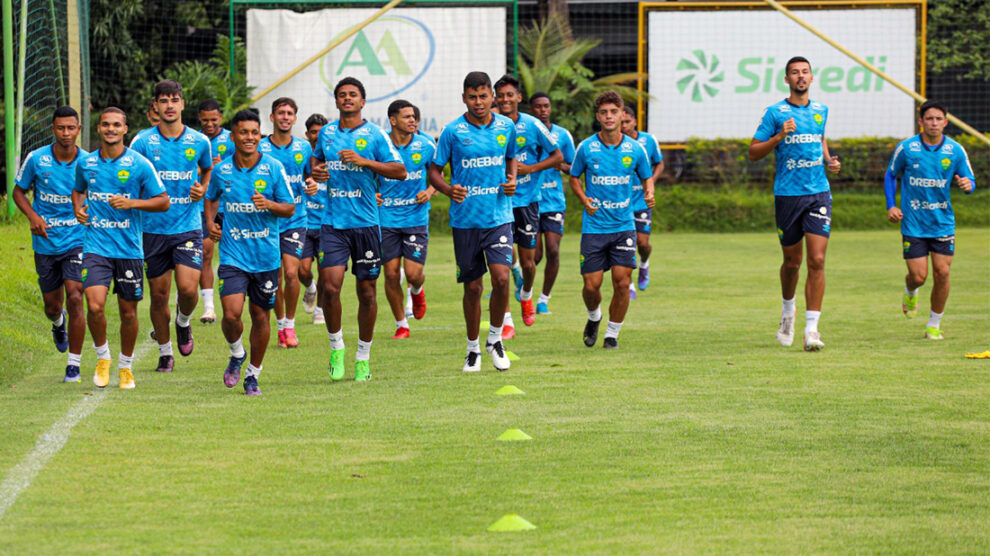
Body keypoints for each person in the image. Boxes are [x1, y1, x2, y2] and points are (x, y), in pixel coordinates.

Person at [311, 77, 406, 382]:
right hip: (332, 224)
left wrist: (364, 161)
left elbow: (400, 170)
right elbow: (316, 163)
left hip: (365, 224)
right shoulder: (326, 133)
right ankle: (336, 347)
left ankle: (363, 356)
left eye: (353, 95)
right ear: (337, 101)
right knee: (329, 286)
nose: (347, 99)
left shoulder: (375, 135)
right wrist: (316, 171)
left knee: (366, 292)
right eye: (342, 95)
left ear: (363, 102)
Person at [72, 107, 169, 389]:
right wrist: (78, 208)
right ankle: (103, 358)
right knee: (95, 305)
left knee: (128, 313)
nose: (110, 129)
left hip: (129, 251)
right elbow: (78, 190)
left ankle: (125, 367)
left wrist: (132, 203)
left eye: (116, 125)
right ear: (99, 129)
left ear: (125, 129)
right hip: (95, 247)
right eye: (105, 125)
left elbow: (163, 201)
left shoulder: (140, 164)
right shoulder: (86, 164)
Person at [748, 56, 841, 352]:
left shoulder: (821, 110)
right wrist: (779, 136)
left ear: (812, 78)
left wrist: (829, 160)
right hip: (788, 196)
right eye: (794, 73)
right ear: (786, 80)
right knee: (792, 262)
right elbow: (753, 152)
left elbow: (821, 138)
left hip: (818, 194)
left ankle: (812, 329)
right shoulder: (776, 113)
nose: (800, 77)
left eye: (805, 72)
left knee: (817, 260)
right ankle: (788, 312)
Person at [428, 71, 517, 373]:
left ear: (492, 96)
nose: (478, 102)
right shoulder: (453, 132)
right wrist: (448, 189)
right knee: (473, 289)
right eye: (472, 97)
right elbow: (435, 172)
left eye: (483, 96)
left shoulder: (507, 127)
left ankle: (495, 339)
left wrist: (512, 179)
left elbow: (511, 158)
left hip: (498, 217)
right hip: (466, 221)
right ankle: (472, 348)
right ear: (464, 98)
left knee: (502, 278)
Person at [204, 110, 295, 395]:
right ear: (233, 137)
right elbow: (210, 199)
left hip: (266, 257)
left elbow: (289, 207)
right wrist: (210, 223)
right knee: (231, 315)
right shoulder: (221, 171)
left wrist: (269, 204)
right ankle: (236, 353)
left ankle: (253, 374)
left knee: (260, 316)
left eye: (254, 132)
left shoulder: (273, 168)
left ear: (260, 135)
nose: (249, 137)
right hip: (233, 256)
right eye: (243, 132)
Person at [130, 80, 213, 373]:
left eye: (174, 100)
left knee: (188, 290)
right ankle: (165, 353)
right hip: (152, 230)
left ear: (182, 104)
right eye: (163, 100)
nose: (169, 105)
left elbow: (207, 170)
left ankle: (183, 321)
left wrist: (202, 188)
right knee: (159, 295)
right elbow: (129, 176)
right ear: (156, 105)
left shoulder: (200, 141)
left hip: (187, 226)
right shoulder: (141, 142)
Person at [884, 100, 976, 340]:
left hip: (942, 222)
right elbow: (891, 175)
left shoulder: (955, 150)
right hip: (913, 222)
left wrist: (968, 185)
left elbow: (969, 179)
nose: (934, 123)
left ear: (945, 122)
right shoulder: (907, 148)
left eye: (938, 119)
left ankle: (934, 324)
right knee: (919, 276)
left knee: (942, 273)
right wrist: (891, 205)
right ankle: (910, 290)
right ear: (921, 121)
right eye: (929, 119)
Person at [569, 91, 654, 350]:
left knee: (622, 281)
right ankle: (594, 317)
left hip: (623, 226)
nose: (609, 117)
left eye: (613, 112)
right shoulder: (586, 147)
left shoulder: (635, 149)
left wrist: (649, 190)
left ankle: (612, 335)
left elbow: (646, 175)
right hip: (594, 227)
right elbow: (574, 177)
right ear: (598, 116)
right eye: (604, 112)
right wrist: (584, 198)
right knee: (591, 285)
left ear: (622, 115)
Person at [13, 106, 88, 382]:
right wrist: (33, 216)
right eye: (60, 128)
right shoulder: (37, 159)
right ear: (53, 129)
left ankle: (74, 364)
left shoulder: (89, 162)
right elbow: (18, 192)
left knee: (77, 295)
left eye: (71, 128)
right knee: (53, 306)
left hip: (77, 240)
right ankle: (58, 323)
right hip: (45, 243)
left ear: (79, 130)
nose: (66, 133)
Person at [493, 75, 562, 329]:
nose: (505, 100)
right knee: (500, 263)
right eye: (500, 96)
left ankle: (526, 295)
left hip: (529, 202)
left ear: (519, 98)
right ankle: (507, 321)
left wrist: (531, 168)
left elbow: (558, 156)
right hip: (500, 203)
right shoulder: (492, 126)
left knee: (530, 263)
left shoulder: (532, 125)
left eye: (510, 95)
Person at [258, 97, 313, 348]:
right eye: (281, 113)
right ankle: (280, 325)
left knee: (292, 273)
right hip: (267, 221)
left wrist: (312, 184)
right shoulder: (260, 148)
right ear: (272, 118)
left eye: (290, 113)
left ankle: (290, 326)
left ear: (295, 118)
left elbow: (311, 177)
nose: (285, 117)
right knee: (276, 276)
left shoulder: (304, 148)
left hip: (295, 219)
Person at [379, 100, 436, 339]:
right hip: (386, 219)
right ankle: (401, 323)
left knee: (412, 274)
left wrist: (430, 191)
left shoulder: (425, 145)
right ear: (393, 121)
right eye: (406, 117)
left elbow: (438, 175)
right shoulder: (379, 146)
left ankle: (417, 288)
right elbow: (368, 174)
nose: (413, 120)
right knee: (391, 274)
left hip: (415, 217)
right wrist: (374, 193)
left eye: (414, 116)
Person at [529, 92, 575, 315]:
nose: (543, 110)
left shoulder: (562, 135)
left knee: (553, 250)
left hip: (554, 202)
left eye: (546, 106)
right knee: (534, 256)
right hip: (530, 200)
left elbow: (574, 167)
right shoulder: (527, 131)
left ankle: (544, 299)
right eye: (538, 107)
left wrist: (561, 166)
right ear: (532, 109)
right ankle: (523, 285)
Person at [197, 98, 235, 323]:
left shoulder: (232, 138)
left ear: (220, 118)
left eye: (213, 120)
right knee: (206, 252)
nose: (209, 124)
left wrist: (221, 166)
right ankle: (209, 307)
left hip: (229, 204)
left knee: (233, 253)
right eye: (205, 120)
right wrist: (203, 169)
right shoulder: (196, 140)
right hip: (205, 204)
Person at [620, 105, 664, 298]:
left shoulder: (648, 140)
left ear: (635, 121)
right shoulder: (615, 145)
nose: (624, 126)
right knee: (625, 244)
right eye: (621, 123)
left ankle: (644, 264)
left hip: (642, 201)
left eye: (627, 122)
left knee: (642, 243)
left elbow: (659, 163)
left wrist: (650, 182)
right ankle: (629, 286)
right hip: (621, 203)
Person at [300, 113, 329, 325]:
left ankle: (320, 309)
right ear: (307, 134)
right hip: (303, 223)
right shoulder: (301, 157)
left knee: (326, 272)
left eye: (320, 132)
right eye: (313, 132)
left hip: (327, 225)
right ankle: (310, 287)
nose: (317, 136)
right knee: (302, 271)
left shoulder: (334, 158)